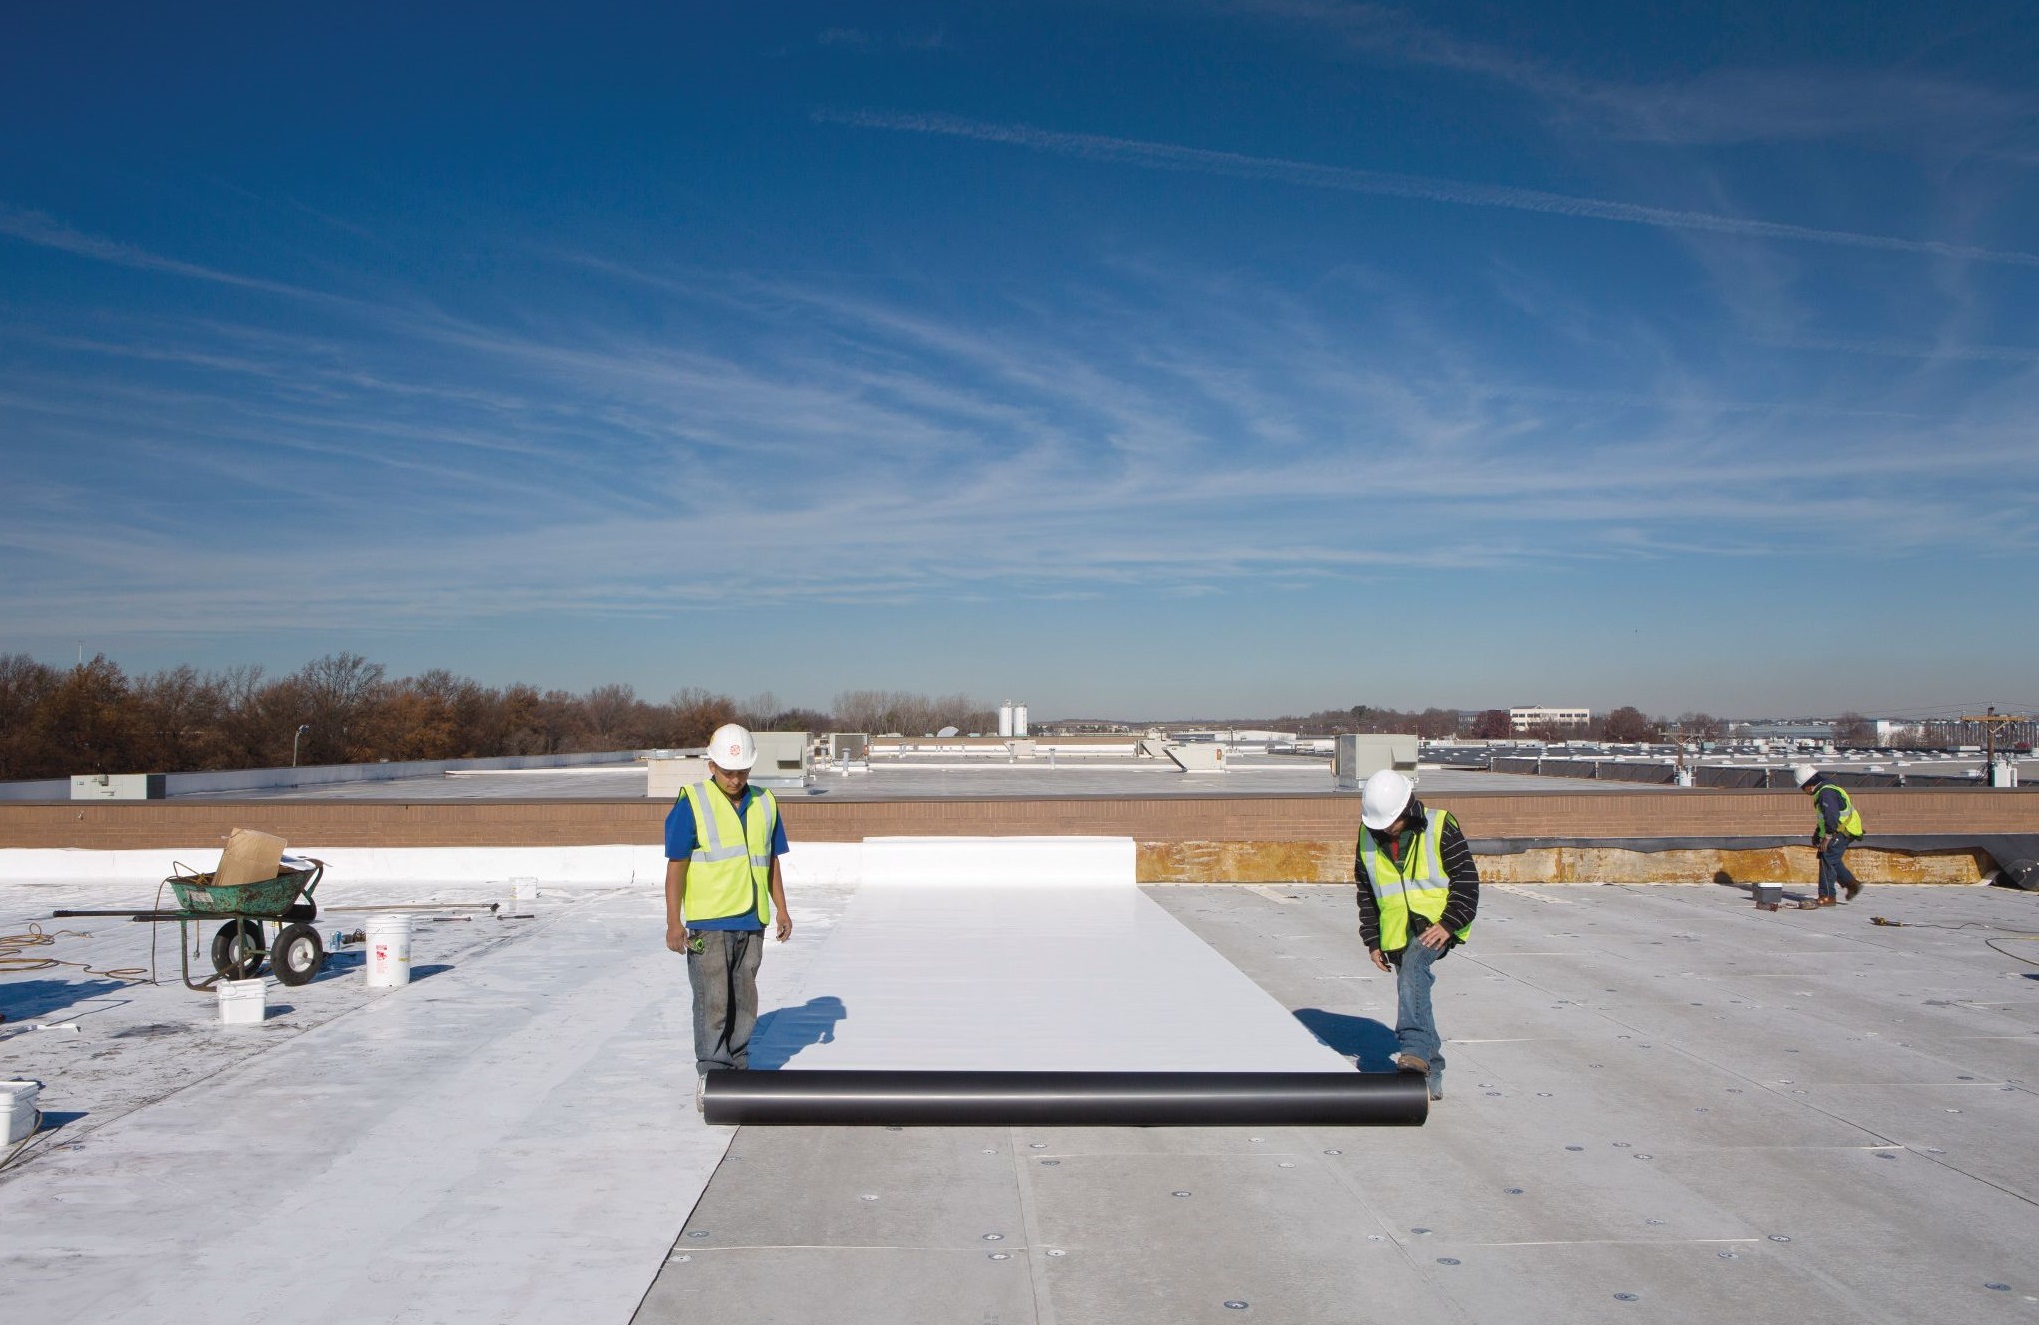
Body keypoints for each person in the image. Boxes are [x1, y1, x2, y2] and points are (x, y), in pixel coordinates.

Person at [665, 723, 793, 1110]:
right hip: (709, 922)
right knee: (713, 1001)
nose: (735, 779)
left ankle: (739, 1066)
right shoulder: (692, 802)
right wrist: (674, 921)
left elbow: (771, 860)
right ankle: (714, 1073)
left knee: (744, 998)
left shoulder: (765, 802)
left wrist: (781, 908)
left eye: (741, 771)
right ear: (712, 766)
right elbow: (677, 865)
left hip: (752, 919)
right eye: (727, 772)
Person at [1353, 769, 1478, 1102]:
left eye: (1390, 823)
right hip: (1397, 930)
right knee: (1415, 987)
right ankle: (1431, 1074)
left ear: (1406, 809)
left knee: (1413, 969)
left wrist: (1449, 923)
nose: (1384, 830)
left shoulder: (1440, 826)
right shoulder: (1367, 836)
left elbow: (1467, 880)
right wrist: (1372, 939)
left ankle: (1413, 1049)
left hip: (1438, 924)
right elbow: (1367, 892)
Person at [1793, 764, 1864, 906]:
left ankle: (1827, 896)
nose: (1803, 791)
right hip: (1842, 829)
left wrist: (1827, 837)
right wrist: (1817, 833)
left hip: (1842, 830)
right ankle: (1852, 884)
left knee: (1827, 857)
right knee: (1832, 858)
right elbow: (1823, 818)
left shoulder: (1826, 793)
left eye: (1802, 788)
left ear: (1809, 785)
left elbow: (1831, 816)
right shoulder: (1825, 790)